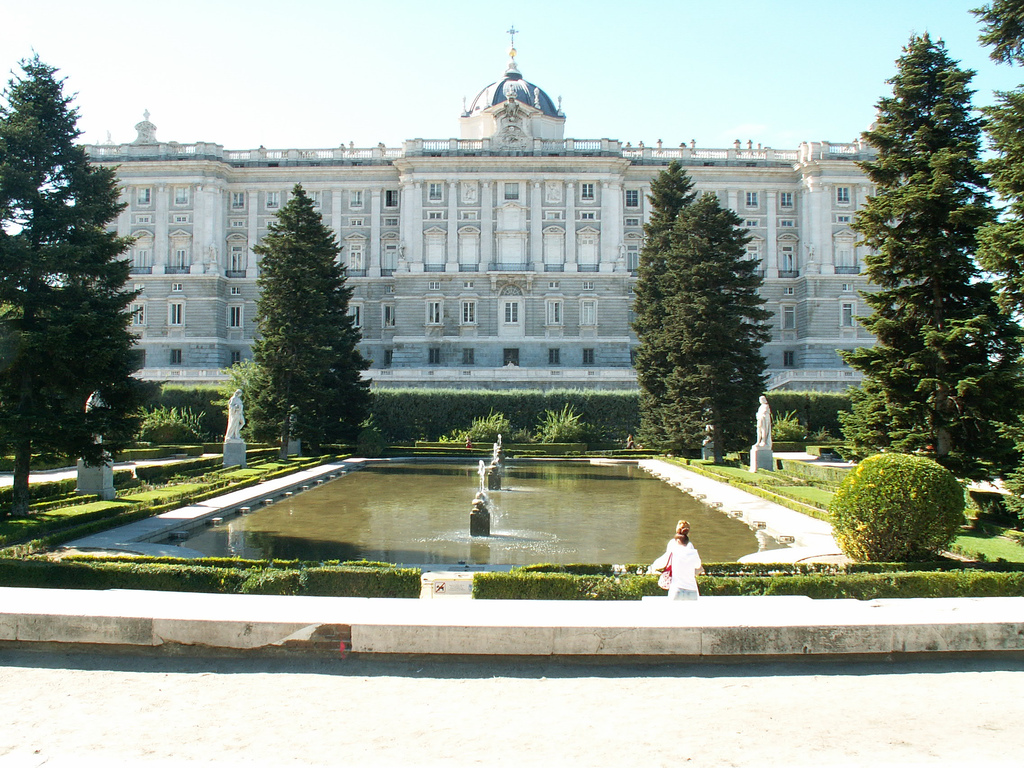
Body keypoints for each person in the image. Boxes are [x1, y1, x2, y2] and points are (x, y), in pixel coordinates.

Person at [651, 520, 703, 601]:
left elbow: (661, 563)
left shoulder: (673, 550)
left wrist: (652, 568)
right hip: (692, 590)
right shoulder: (693, 552)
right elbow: (698, 566)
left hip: (677, 589)